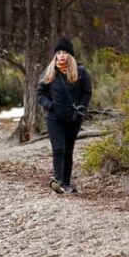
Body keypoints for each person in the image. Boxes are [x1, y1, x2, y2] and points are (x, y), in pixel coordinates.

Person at [37, 38, 92, 194]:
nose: (62, 55)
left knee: (68, 151)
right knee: (58, 149)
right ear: (55, 55)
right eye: (59, 53)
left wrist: (81, 108)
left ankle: (66, 183)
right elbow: (40, 94)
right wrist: (50, 106)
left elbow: (86, 92)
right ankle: (58, 181)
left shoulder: (80, 71)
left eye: (65, 52)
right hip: (54, 118)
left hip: (73, 118)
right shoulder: (49, 72)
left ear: (70, 55)